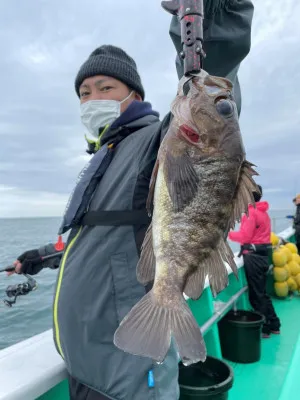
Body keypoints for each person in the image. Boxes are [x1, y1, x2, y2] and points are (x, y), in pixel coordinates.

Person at [7, 2, 254, 399]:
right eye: (84, 93)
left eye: (106, 88)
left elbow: (216, 89)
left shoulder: (155, 141)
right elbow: (97, 234)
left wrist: (215, 14)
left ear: (135, 94)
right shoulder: (103, 157)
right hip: (84, 363)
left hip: (126, 375)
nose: (92, 99)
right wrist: (39, 256)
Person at [228, 185, 281, 338]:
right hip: (264, 255)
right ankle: (274, 324)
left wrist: (228, 234)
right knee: (262, 293)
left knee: (256, 296)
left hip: (253, 257)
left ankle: (265, 328)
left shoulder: (250, 213)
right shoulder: (263, 213)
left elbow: (244, 236)